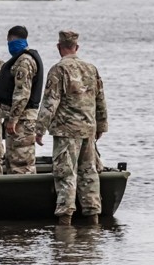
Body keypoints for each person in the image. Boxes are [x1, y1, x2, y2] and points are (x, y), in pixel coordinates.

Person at [35, 30, 108, 226]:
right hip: (88, 130)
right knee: (89, 173)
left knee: (66, 174)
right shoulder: (91, 68)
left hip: (66, 132)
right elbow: (100, 99)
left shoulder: (59, 70)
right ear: (77, 47)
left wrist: (39, 129)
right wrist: (101, 125)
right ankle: (93, 218)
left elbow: (50, 102)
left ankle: (65, 219)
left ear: (59, 48)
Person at [0, 25, 45, 174]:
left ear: (10, 39)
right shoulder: (21, 59)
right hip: (19, 119)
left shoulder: (24, 61)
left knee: (21, 165)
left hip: (22, 121)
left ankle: (26, 195)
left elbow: (22, 94)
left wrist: (13, 119)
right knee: (12, 161)